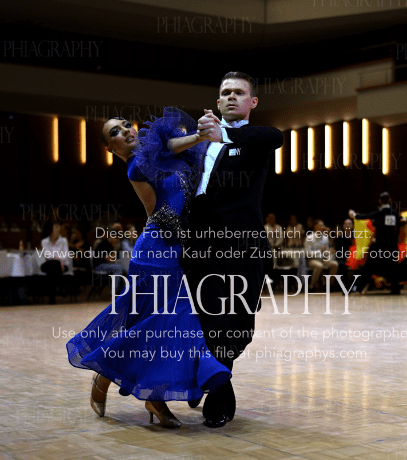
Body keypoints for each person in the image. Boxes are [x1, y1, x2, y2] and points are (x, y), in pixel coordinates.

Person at [66, 113, 231, 428]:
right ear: (112, 149)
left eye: (125, 124)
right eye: (115, 132)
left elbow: (174, 150)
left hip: (173, 251)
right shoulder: (137, 166)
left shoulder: (161, 153)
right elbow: (161, 214)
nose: (125, 130)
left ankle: (140, 392)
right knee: (168, 323)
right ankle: (129, 386)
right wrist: (200, 136)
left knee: (158, 327)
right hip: (156, 252)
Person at [182, 72, 283, 427]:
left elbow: (276, 136)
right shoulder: (197, 144)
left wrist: (223, 135)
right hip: (201, 245)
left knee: (240, 326)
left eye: (239, 92)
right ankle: (218, 388)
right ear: (217, 100)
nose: (231, 97)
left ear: (252, 101)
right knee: (212, 318)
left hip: (243, 246)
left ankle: (207, 372)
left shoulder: (254, 140)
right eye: (225, 92)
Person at [349, 191, 406, 295]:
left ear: (379, 201)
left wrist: (354, 215)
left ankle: (355, 287)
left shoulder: (379, 213)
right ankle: (395, 289)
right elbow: (404, 220)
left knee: (368, 268)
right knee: (393, 268)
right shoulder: (395, 213)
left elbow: (365, 216)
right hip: (391, 247)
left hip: (380, 246)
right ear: (390, 200)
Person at [40, 222, 73, 304]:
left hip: (62, 265)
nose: (59, 229)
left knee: (52, 271)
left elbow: (65, 255)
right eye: (56, 227)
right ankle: (61, 286)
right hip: (51, 264)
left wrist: (59, 261)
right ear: (50, 230)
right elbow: (48, 255)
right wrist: (58, 261)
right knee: (54, 265)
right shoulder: (44, 241)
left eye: (59, 227)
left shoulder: (63, 240)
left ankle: (52, 298)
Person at [303, 219, 338, 290]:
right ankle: (312, 285)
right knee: (319, 266)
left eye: (323, 225)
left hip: (323, 259)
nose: (323, 227)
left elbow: (325, 253)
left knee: (335, 264)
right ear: (315, 227)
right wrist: (319, 251)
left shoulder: (325, 238)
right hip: (312, 260)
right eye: (321, 225)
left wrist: (328, 252)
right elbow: (308, 254)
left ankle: (328, 285)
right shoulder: (309, 238)